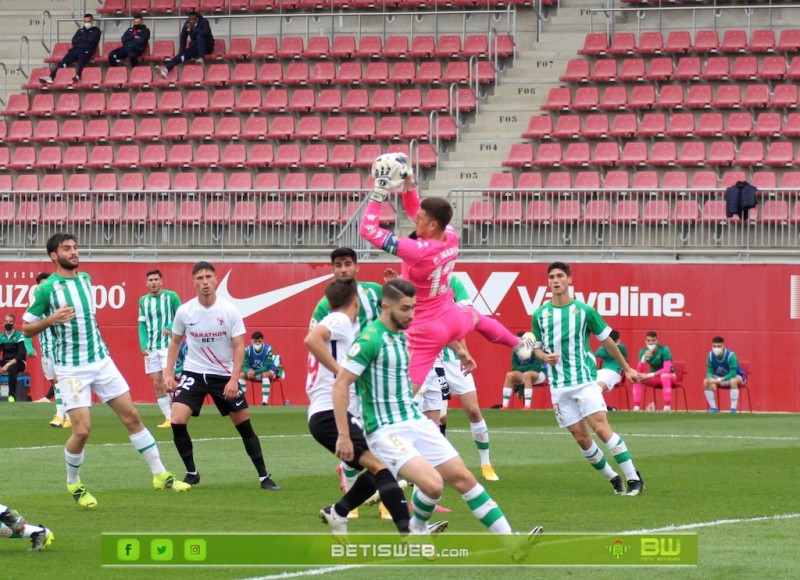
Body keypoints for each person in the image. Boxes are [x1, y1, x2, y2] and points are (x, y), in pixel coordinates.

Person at [333, 279, 542, 539]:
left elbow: (446, 332)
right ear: (386, 306)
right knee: (432, 484)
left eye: (413, 308)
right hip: (384, 428)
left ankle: (511, 542)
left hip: (412, 418)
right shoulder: (369, 340)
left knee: (462, 477)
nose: (411, 314)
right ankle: (371, 515)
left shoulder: (409, 332)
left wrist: (460, 350)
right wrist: (343, 434)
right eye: (406, 309)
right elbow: (341, 385)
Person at [22, 233, 190, 509]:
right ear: (54, 256)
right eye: (67, 249)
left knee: (132, 416)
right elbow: (26, 327)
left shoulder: (86, 280)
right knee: (83, 431)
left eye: (75, 247)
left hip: (101, 362)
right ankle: (74, 483)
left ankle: (161, 475)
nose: (74, 252)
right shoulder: (47, 289)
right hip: (72, 369)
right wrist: (51, 319)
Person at [359, 153, 535, 394]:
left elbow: (368, 230)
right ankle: (518, 345)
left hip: (424, 327)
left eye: (420, 220)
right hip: (451, 317)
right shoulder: (450, 235)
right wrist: (408, 180)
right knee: (477, 317)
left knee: (407, 391)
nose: (414, 220)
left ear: (431, 225)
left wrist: (379, 189)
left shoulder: (417, 250)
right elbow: (414, 208)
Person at [306, 278, 443, 535]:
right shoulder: (340, 320)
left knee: (384, 463)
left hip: (330, 412)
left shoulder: (341, 326)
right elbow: (311, 339)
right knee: (382, 466)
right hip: (329, 413)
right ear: (356, 302)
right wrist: (341, 374)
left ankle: (338, 511)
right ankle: (409, 531)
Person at [164, 261, 280, 490]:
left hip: (223, 375)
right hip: (194, 372)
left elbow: (239, 346)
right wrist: (169, 374)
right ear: (193, 282)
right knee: (177, 419)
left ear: (216, 280)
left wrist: (234, 379)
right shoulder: (185, 311)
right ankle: (191, 472)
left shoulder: (229, 311)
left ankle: (264, 477)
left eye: (208, 277)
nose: (205, 282)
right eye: (200, 278)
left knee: (244, 424)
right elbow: (175, 342)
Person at [532, 262, 644, 496]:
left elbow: (607, 341)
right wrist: (544, 356)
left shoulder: (585, 311)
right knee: (582, 438)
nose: (555, 280)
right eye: (551, 277)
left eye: (560, 276)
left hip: (584, 381)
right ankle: (613, 478)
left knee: (602, 429)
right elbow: (537, 349)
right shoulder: (540, 314)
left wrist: (627, 368)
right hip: (558, 386)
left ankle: (634, 478)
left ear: (569, 280)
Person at [309, 247, 383, 501]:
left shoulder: (373, 291)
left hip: (374, 372)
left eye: (347, 264)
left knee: (375, 438)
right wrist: (339, 372)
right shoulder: (325, 305)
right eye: (338, 265)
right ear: (332, 269)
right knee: (360, 439)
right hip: (350, 381)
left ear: (356, 266)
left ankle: (379, 497)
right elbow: (313, 341)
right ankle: (354, 494)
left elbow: (393, 312)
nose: (343, 269)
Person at [415, 275, 502, 481]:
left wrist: (464, 352)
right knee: (434, 415)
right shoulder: (416, 281)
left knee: (472, 409)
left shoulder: (453, 282)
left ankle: (486, 463)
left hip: (454, 358)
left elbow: (463, 319)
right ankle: (428, 469)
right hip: (429, 358)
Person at [138, 269, 182, 428]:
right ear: (146, 283)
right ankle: (169, 418)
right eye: (150, 280)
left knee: (167, 381)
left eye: (156, 279)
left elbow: (181, 314)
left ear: (161, 281)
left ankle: (188, 395)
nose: (153, 282)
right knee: (157, 384)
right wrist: (143, 344)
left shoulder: (171, 297)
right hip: (151, 348)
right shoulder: (143, 301)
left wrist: (171, 326)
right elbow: (141, 324)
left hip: (167, 346)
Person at [39, 14, 101, 84]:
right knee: (64, 62)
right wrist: (85, 40)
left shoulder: (96, 30)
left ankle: (78, 76)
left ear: (92, 21)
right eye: (85, 21)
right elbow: (74, 40)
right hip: (76, 50)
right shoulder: (80, 30)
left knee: (82, 59)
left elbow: (91, 40)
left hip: (87, 51)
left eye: (89, 21)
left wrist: (81, 39)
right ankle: (51, 77)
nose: (87, 23)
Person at [155, 10, 214, 79]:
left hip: (207, 46)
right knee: (182, 55)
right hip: (196, 47)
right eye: (190, 19)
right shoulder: (187, 24)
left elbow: (206, 32)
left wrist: (192, 28)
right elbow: (183, 37)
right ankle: (166, 70)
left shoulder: (204, 22)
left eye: (193, 20)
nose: (191, 21)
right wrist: (182, 50)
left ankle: (201, 58)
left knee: (199, 36)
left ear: (197, 19)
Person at [632, 331, 676, 412]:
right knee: (637, 377)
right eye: (648, 341)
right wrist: (643, 358)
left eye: (653, 340)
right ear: (645, 341)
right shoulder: (643, 351)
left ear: (657, 341)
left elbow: (667, 369)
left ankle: (667, 407)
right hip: (655, 378)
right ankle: (636, 407)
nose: (650, 343)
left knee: (664, 376)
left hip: (670, 376)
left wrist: (648, 375)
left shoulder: (664, 349)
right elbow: (639, 371)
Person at [502, 332, 546, 409]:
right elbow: (514, 367)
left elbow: (536, 367)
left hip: (539, 375)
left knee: (527, 375)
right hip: (523, 374)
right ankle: (504, 406)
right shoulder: (515, 350)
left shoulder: (534, 349)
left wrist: (523, 369)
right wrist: (524, 369)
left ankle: (527, 406)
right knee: (509, 375)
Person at [703, 336, 746, 414]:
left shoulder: (731, 355)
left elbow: (733, 374)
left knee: (733, 381)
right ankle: (713, 408)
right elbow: (709, 370)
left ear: (723, 346)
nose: (716, 348)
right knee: (705, 381)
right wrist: (710, 380)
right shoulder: (710, 356)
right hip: (720, 378)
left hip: (736, 376)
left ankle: (733, 409)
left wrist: (717, 381)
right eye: (714, 346)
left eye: (719, 346)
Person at [238, 331, 278, 406]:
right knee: (241, 375)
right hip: (253, 372)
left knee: (264, 374)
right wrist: (248, 372)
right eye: (255, 341)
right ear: (251, 341)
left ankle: (264, 402)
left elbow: (266, 367)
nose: (257, 343)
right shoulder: (247, 350)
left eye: (259, 341)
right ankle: (242, 401)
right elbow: (245, 365)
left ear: (263, 340)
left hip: (268, 371)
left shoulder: (268, 349)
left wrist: (254, 372)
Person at [1, 314, 29, 402]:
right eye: (6, 321)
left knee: (12, 369)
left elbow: (21, 355)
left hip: (19, 362)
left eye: (10, 322)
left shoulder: (19, 336)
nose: (8, 323)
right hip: (5, 361)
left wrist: (7, 365)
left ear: (14, 323)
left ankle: (11, 396)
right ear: (3, 323)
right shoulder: (1, 337)